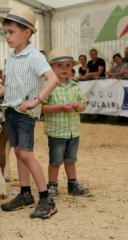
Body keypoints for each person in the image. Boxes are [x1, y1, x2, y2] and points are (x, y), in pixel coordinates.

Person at [0, 6, 59, 219]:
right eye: (5, 32)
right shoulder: (12, 57)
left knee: (25, 153)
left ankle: (46, 198)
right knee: (17, 152)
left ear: (27, 32)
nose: (7, 36)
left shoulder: (34, 56)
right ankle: (25, 193)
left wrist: (37, 101)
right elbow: (9, 86)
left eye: (11, 32)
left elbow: (52, 79)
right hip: (11, 111)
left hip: (26, 113)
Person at [42, 49, 90, 197]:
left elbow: (83, 105)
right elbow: (42, 107)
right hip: (56, 132)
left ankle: (72, 184)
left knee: (71, 159)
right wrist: (60, 107)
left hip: (73, 131)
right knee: (55, 160)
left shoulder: (75, 86)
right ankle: (52, 185)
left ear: (72, 68)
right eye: (60, 66)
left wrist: (77, 106)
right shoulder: (48, 87)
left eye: (68, 65)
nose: (64, 69)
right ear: (52, 68)